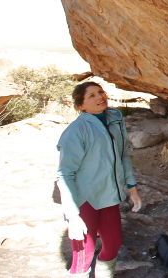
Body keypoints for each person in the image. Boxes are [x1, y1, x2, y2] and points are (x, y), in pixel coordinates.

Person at [55, 82, 142, 278]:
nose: (100, 97)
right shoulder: (76, 132)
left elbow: (123, 154)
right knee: (83, 251)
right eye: (91, 95)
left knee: (113, 244)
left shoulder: (114, 118)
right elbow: (64, 174)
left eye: (100, 92)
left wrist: (132, 187)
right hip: (85, 199)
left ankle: (104, 273)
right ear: (81, 106)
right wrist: (73, 216)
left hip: (109, 194)